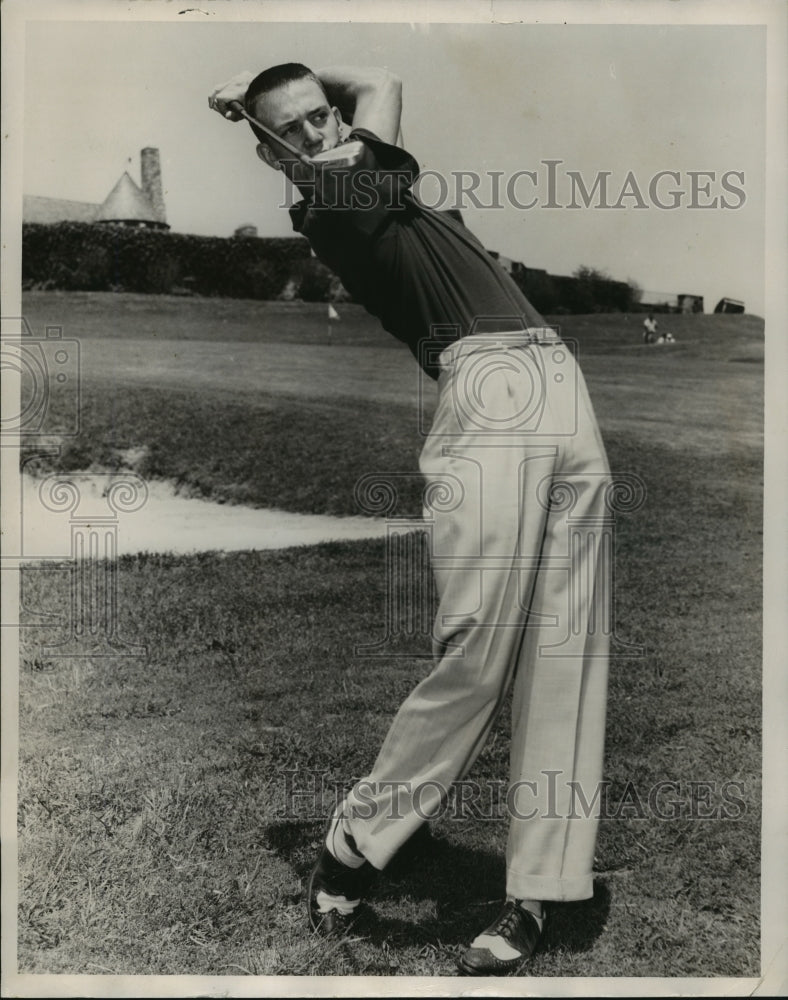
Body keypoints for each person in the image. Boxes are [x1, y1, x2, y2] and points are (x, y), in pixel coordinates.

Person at [209, 64, 612, 977]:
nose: (317, 133)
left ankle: (536, 895)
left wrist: (263, 87)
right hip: (489, 396)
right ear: (270, 150)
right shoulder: (335, 199)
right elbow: (381, 85)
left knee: (569, 643)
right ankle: (356, 840)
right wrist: (278, 106)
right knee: (477, 644)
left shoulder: (369, 169)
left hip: (557, 382)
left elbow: (375, 81)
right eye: (295, 130)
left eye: (321, 116)